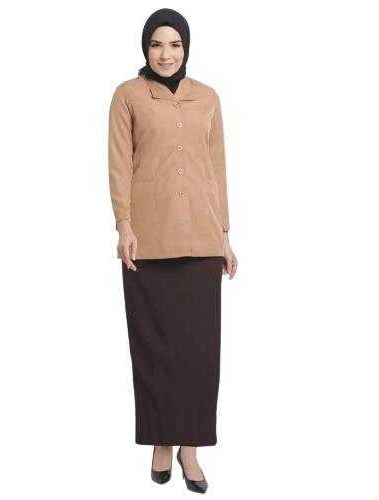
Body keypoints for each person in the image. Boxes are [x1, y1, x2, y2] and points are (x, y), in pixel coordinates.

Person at [108, 8, 238, 493]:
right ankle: (162, 441)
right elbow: (119, 164)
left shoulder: (208, 98)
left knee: (199, 353)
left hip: (202, 239)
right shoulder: (127, 95)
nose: (166, 54)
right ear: (146, 48)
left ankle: (191, 447)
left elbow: (216, 169)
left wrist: (224, 235)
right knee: (155, 350)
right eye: (157, 44)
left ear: (186, 47)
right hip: (148, 240)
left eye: (175, 44)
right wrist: (124, 225)